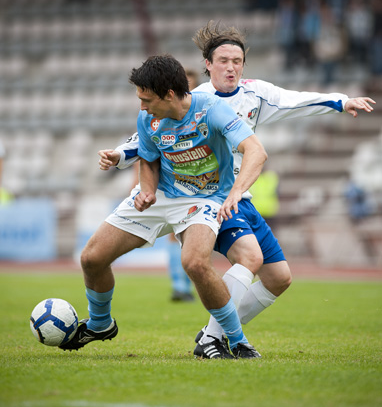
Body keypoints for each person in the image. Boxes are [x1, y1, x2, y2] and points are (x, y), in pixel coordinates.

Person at [101, 22, 376, 357]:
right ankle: (216, 336)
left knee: (279, 278)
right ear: (208, 64)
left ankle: (212, 332)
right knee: (248, 257)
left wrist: (341, 102)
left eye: (237, 60)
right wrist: (120, 156)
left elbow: (295, 100)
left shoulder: (256, 94)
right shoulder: (196, 99)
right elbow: (148, 135)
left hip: (240, 195)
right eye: (223, 60)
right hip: (208, 197)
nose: (231, 67)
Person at [61, 54, 268, 359]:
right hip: (162, 195)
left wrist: (237, 191)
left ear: (169, 94)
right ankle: (100, 324)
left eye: (146, 99)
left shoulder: (211, 110)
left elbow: (255, 150)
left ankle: (234, 340)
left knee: (195, 263)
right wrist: (146, 191)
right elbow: (148, 158)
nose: (142, 106)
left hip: (204, 199)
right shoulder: (148, 119)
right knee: (92, 258)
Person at [168, 68, 200, 302]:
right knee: (174, 236)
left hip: (203, 186)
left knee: (197, 238)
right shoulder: (164, 116)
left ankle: (191, 283)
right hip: (175, 185)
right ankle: (180, 286)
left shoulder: (205, 111)